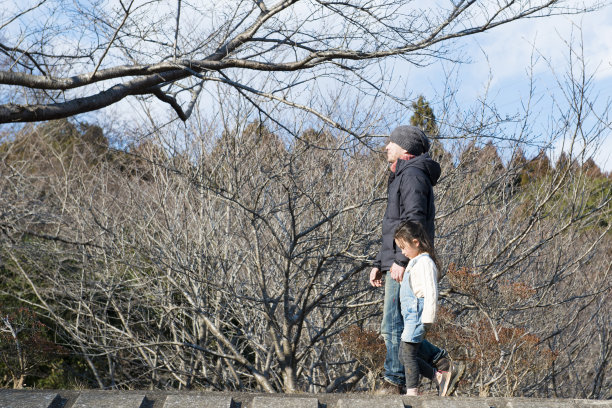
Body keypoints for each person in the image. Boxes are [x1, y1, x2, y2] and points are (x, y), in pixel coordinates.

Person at [370, 125, 456, 395]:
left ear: (404, 147)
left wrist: (399, 260)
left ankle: (395, 380)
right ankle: (439, 367)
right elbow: (394, 226)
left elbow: (413, 221)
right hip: (399, 259)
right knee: (392, 326)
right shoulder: (403, 175)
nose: (386, 147)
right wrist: (380, 262)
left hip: (407, 261)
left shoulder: (413, 175)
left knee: (394, 325)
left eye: (391, 143)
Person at [394, 220, 450, 396]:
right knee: (403, 356)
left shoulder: (425, 262)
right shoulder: (414, 261)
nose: (402, 252)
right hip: (410, 317)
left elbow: (431, 291)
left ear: (416, 242)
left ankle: (412, 392)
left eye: (403, 247)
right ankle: (438, 377)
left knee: (408, 356)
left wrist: (428, 318)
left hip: (418, 315)